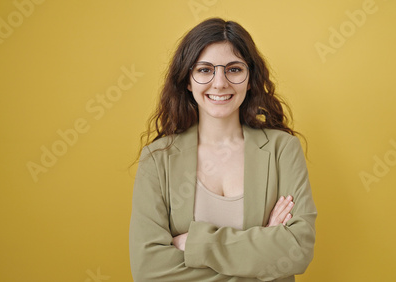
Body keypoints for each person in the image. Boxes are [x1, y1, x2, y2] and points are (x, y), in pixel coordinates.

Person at [129, 18, 317, 281]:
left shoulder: (282, 150)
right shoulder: (157, 159)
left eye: (234, 69)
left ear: (250, 78)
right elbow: (148, 270)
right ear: (187, 80)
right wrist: (261, 252)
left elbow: (297, 250)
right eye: (205, 70)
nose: (220, 83)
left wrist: (194, 244)